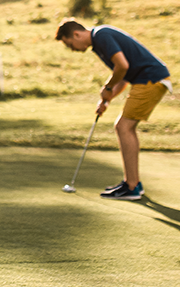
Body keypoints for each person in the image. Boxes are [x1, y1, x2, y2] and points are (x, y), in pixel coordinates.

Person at [55, 18, 172, 201]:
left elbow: (122, 67)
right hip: (148, 79)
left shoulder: (101, 35)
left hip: (150, 80)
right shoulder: (99, 41)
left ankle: (131, 186)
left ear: (76, 34)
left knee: (123, 127)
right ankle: (132, 184)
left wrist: (107, 87)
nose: (73, 49)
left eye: (70, 44)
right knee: (124, 126)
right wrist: (107, 100)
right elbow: (124, 76)